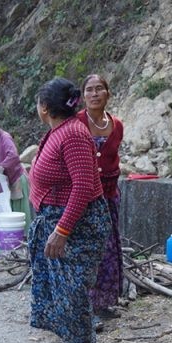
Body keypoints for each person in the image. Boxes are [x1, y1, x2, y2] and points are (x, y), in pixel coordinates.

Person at [28, 78, 109, 343]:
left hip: (76, 227)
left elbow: (84, 186)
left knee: (72, 293)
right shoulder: (58, 131)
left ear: (45, 107)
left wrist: (61, 231)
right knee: (63, 293)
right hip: (58, 221)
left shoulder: (73, 134)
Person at [77, 74, 125, 319]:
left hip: (109, 195)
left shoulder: (116, 124)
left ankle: (103, 303)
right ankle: (85, 308)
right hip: (83, 198)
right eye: (89, 90)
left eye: (99, 89)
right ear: (83, 96)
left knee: (108, 248)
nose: (94, 94)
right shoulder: (75, 124)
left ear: (108, 93)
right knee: (88, 250)